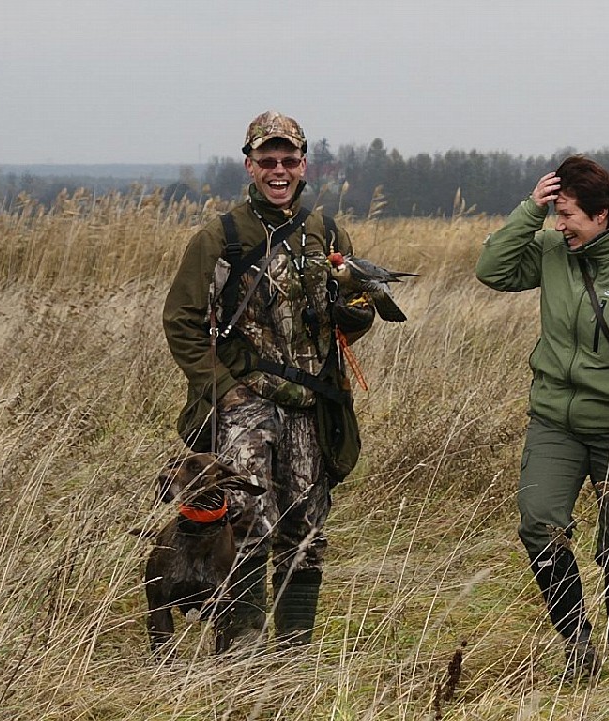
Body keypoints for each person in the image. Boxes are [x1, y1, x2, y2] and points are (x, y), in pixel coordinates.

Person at [475, 156, 609, 677]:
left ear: (601, 215)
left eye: (567, 214)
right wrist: (530, 210)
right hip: (555, 419)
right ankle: (577, 645)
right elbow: (492, 270)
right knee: (539, 524)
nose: (559, 225)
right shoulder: (553, 250)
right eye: (555, 213)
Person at [163, 111, 374, 650]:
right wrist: (225, 389)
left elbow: (355, 315)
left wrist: (356, 313)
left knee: (306, 531)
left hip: (313, 403)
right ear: (250, 165)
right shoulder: (220, 237)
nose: (278, 170)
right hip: (246, 403)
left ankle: (293, 651)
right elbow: (181, 322)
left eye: (288, 160)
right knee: (244, 523)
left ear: (304, 166)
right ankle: (241, 648)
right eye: (267, 160)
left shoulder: (327, 233)